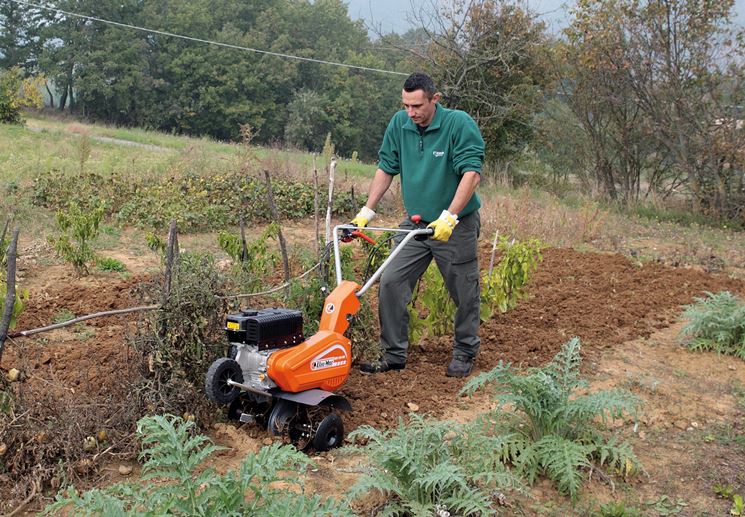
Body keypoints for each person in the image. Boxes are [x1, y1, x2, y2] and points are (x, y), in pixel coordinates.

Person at [351, 72, 484, 378]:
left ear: (434, 99)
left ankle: (464, 351)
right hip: (416, 223)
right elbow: (386, 167)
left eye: (417, 106)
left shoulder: (457, 124)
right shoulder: (400, 124)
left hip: (456, 224)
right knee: (391, 282)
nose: (411, 113)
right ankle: (393, 353)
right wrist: (366, 211)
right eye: (406, 105)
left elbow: (472, 174)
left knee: (463, 290)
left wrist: (450, 216)